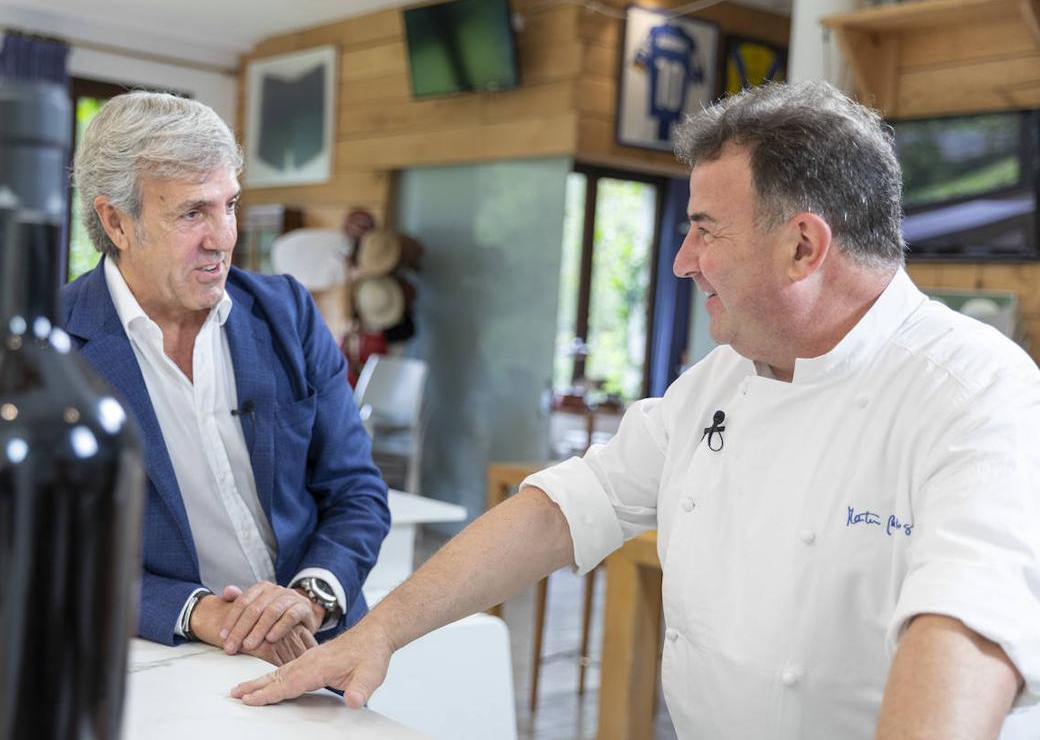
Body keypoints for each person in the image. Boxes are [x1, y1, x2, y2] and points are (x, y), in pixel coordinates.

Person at [230, 81, 1040, 739]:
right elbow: (560, 510)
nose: (683, 261)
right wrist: (376, 633)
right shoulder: (722, 380)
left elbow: (964, 632)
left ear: (804, 246)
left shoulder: (976, 393)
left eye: (703, 230)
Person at [62, 91, 390, 666]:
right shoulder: (51, 348)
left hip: (320, 649)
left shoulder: (286, 312)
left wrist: (307, 599)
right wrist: (198, 611)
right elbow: (48, 548)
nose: (223, 238)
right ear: (116, 221)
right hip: (161, 656)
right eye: (193, 213)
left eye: (230, 205)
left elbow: (357, 492)